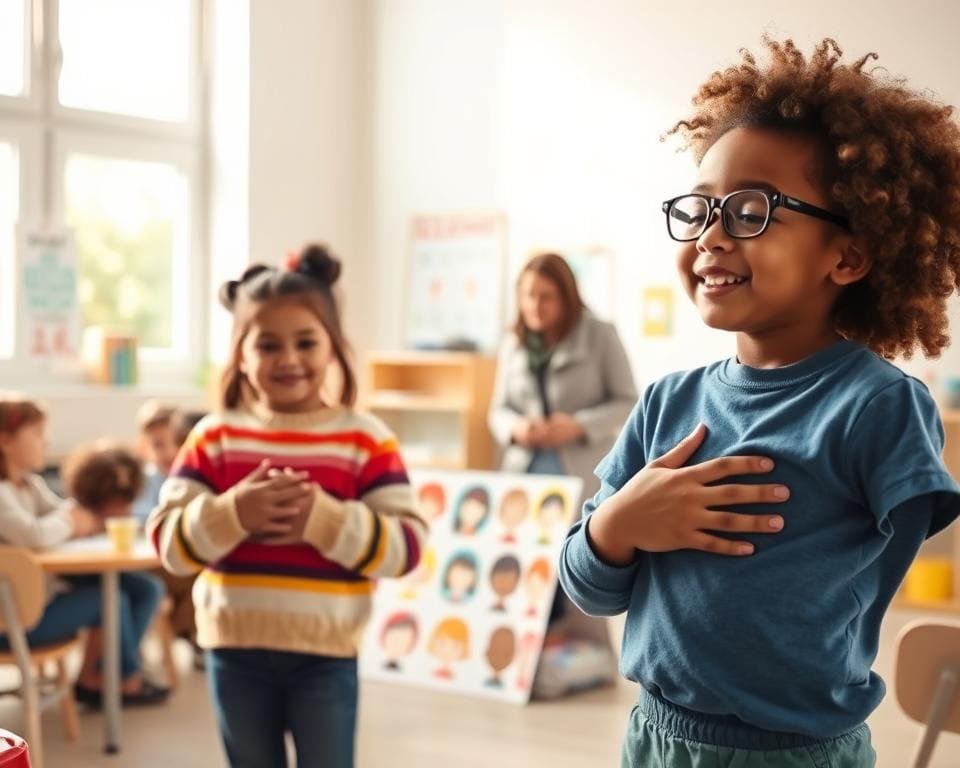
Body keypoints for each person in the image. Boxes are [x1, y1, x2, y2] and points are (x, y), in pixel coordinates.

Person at [558, 38, 960, 768]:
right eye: (701, 210)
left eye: (750, 210)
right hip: (654, 740)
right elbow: (588, 588)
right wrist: (620, 522)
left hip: (795, 753)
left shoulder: (878, 406)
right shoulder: (666, 402)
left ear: (847, 256)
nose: (711, 236)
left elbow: (875, 580)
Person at [147, 244, 427, 768]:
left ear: (333, 346)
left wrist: (323, 520)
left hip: (327, 656)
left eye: (306, 342)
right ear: (241, 354)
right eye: (268, 345)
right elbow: (169, 544)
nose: (289, 359)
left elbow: (408, 548)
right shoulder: (214, 437)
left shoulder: (365, 440)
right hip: (233, 651)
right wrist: (234, 514)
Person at [0, 393, 169, 707]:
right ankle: (124, 678)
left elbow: (67, 514)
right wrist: (70, 520)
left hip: (42, 598)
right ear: (5, 441)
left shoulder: (29, 485)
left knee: (145, 588)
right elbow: (36, 534)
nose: (46, 442)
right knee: (110, 599)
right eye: (37, 434)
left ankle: (102, 675)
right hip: (13, 621)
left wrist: (77, 518)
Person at [488, 252, 637, 501]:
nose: (535, 305)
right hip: (522, 474)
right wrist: (517, 428)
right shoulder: (513, 342)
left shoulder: (601, 334)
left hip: (585, 475)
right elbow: (497, 410)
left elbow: (628, 402)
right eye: (529, 295)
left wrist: (578, 426)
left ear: (566, 297)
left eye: (546, 297)